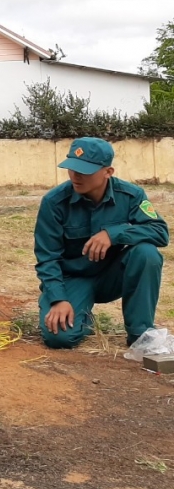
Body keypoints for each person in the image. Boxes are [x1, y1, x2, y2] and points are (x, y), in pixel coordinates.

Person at [35, 137, 168, 349]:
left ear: (108, 172)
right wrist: (58, 299)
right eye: (72, 168)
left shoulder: (131, 195)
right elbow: (47, 258)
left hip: (111, 276)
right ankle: (82, 316)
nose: (75, 176)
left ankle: (140, 334)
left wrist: (114, 233)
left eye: (85, 170)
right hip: (73, 279)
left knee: (146, 253)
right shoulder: (54, 202)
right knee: (59, 338)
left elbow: (160, 232)